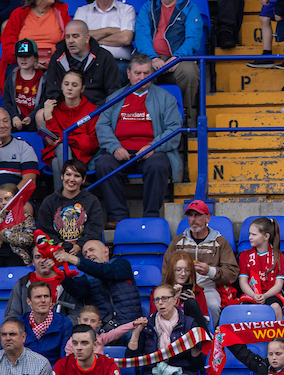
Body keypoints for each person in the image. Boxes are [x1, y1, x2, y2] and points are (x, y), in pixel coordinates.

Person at [95, 56, 183, 224]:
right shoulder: (115, 97)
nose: (143, 77)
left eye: (146, 73)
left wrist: (153, 146)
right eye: (137, 73)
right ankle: (118, 217)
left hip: (152, 151)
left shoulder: (166, 98)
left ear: (153, 74)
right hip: (121, 151)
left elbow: (174, 129)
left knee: (157, 165)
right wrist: (115, 148)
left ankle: (151, 216)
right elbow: (102, 126)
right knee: (103, 164)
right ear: (128, 73)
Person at [165, 200, 239, 321]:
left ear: (208, 218)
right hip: (179, 287)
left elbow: (232, 272)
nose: (193, 219)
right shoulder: (178, 242)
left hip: (207, 288)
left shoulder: (219, 242)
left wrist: (210, 271)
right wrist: (174, 288)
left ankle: (209, 336)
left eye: (198, 215)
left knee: (213, 306)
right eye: (190, 215)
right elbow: (166, 269)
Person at [127, 284, 205, 375]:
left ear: (174, 300)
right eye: (157, 299)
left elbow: (198, 366)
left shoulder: (189, 324)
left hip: (184, 373)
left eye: (164, 298)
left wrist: (196, 351)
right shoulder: (148, 324)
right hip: (154, 373)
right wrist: (135, 333)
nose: (160, 302)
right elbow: (132, 359)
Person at [133, 0, 203, 124]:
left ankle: (187, 119)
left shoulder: (189, 7)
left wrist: (178, 57)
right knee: (140, 72)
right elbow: (142, 35)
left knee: (189, 72)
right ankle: (140, 118)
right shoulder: (148, 7)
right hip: (151, 57)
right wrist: (153, 58)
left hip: (179, 58)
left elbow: (193, 38)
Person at [56, 240, 143, 327]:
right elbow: (77, 291)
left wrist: (72, 259)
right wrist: (61, 275)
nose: (88, 254)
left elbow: (105, 271)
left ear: (106, 251)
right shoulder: (86, 278)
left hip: (131, 326)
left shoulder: (122, 265)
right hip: (103, 330)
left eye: (91, 250)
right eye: (85, 254)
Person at [35, 75, 99, 194]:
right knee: (60, 149)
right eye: (66, 84)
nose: (69, 88)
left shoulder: (92, 109)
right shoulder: (51, 110)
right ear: (61, 86)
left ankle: (63, 200)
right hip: (58, 154)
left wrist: (64, 140)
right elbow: (51, 139)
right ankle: (70, 196)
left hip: (83, 157)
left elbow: (92, 144)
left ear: (82, 88)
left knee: (56, 161)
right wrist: (48, 116)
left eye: (74, 85)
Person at [40, 20, 123, 109]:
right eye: (67, 37)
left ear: (87, 38)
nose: (71, 41)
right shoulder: (57, 57)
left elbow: (113, 92)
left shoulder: (104, 57)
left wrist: (96, 108)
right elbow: (52, 91)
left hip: (96, 110)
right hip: (64, 109)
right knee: (40, 115)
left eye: (75, 36)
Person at [37, 159, 104, 250]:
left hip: (84, 250)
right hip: (56, 250)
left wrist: (79, 246)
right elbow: (44, 230)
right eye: (68, 174)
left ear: (83, 179)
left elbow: (94, 230)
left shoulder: (92, 201)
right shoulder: (49, 201)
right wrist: (58, 245)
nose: (71, 179)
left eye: (77, 176)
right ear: (62, 176)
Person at [0, 0, 72, 81]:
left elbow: (70, 42)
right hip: (24, 63)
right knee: (19, 73)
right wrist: (29, 61)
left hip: (55, 63)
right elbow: (8, 47)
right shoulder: (18, 14)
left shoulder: (61, 12)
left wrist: (55, 61)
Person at [21, 282, 74, 365]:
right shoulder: (19, 324)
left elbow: (65, 361)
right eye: (38, 297)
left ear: (51, 300)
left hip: (52, 374)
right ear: (29, 301)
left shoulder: (64, 324)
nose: (43, 300)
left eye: (46, 296)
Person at [2, 39, 44, 132]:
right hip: (15, 120)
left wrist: (31, 117)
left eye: (27, 56)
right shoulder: (12, 77)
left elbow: (43, 103)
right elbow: (7, 101)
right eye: (20, 56)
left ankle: (46, 145)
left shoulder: (43, 78)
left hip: (35, 121)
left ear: (35, 58)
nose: (23, 59)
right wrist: (14, 116)